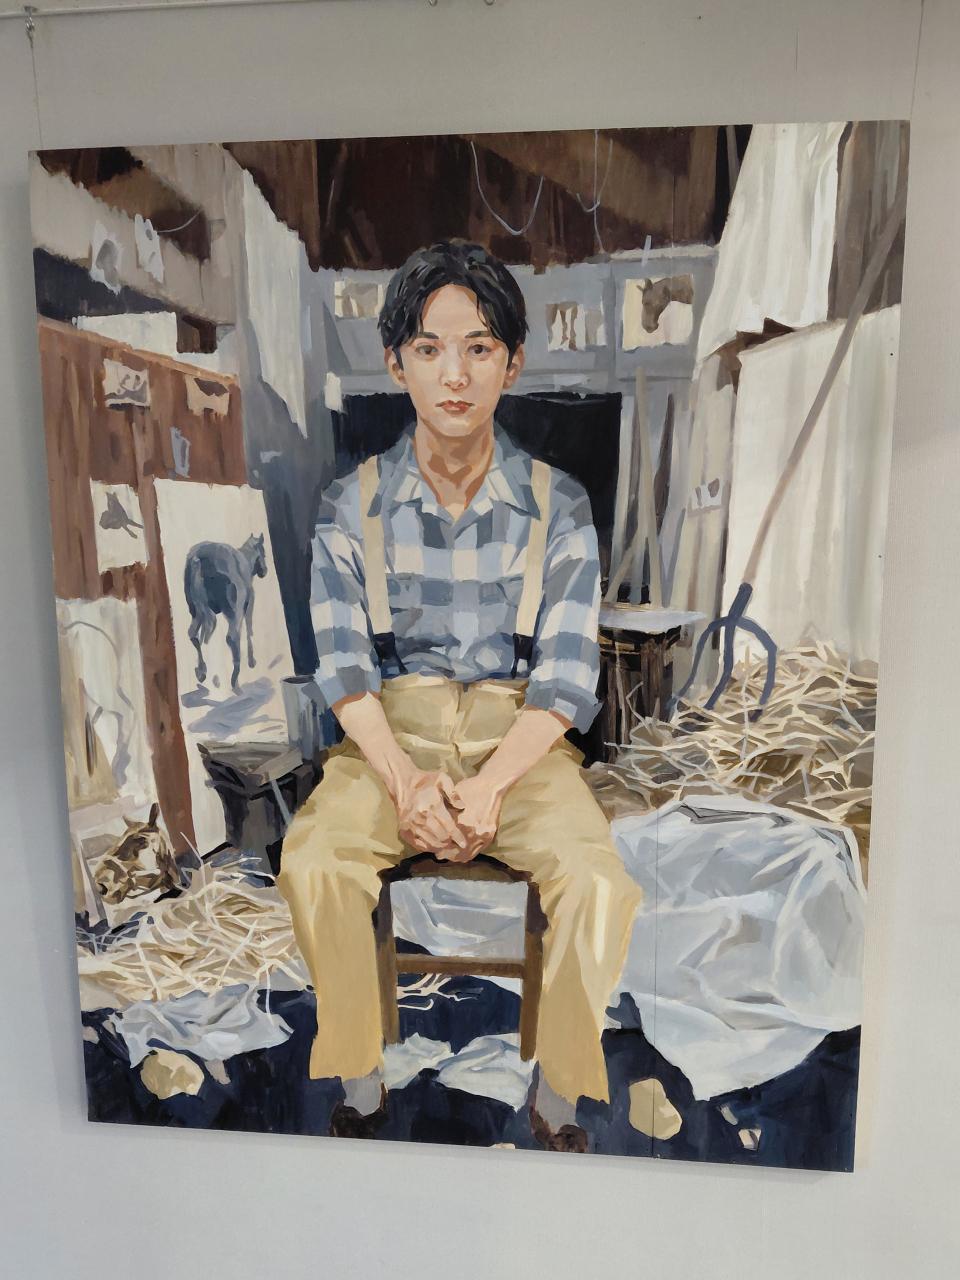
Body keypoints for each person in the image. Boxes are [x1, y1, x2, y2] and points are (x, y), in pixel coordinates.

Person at [277, 239, 643, 1151]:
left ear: (511, 364)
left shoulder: (559, 505)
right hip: (386, 739)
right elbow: (344, 669)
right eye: (430, 348)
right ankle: (361, 1078)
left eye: (479, 348)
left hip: (519, 741)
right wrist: (405, 784)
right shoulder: (349, 505)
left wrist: (489, 788)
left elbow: (565, 678)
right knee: (314, 863)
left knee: (599, 883)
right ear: (395, 362)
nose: (454, 374)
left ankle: (558, 1094)